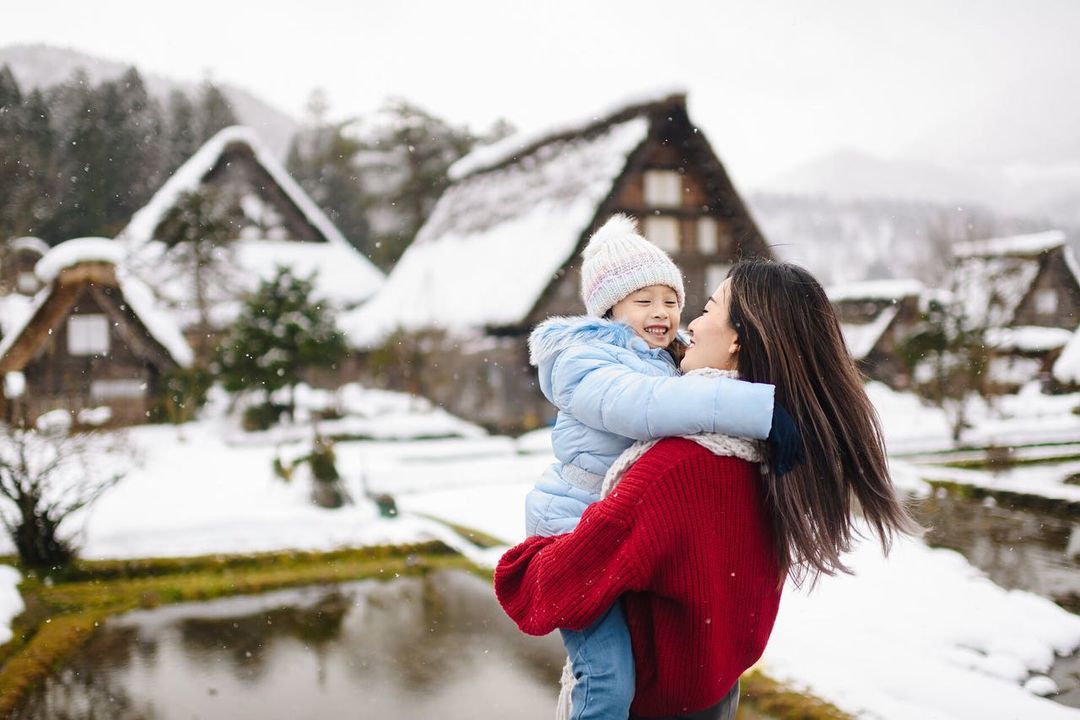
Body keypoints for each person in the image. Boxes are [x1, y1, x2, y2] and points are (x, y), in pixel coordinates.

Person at [497, 259, 919, 720]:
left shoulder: (672, 470)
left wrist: (528, 560)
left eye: (706, 308)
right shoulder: (773, 456)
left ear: (738, 338)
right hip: (716, 696)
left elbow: (547, 590)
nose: (688, 322)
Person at [523, 216, 803, 720]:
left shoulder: (663, 361)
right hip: (569, 522)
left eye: (672, 301)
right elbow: (646, 406)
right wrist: (759, 410)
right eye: (643, 301)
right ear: (609, 309)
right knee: (607, 676)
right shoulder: (584, 361)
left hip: (612, 523)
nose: (664, 313)